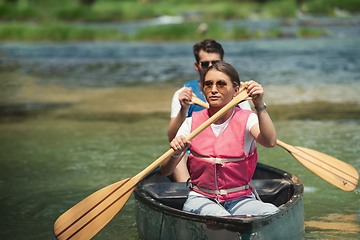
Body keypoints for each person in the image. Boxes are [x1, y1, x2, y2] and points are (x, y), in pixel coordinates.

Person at [160, 62, 278, 216]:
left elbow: (270, 142)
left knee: (272, 212)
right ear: (203, 89)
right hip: (201, 198)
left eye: (221, 84)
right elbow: (164, 170)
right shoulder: (190, 123)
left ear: (236, 91)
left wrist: (259, 104)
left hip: (242, 199)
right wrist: (176, 152)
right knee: (221, 217)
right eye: (208, 85)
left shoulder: (249, 119)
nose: (214, 90)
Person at [168, 39, 251, 182]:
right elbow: (171, 137)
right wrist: (184, 109)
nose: (211, 67)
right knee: (178, 155)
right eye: (205, 64)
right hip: (193, 156)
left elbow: (254, 135)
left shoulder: (237, 93)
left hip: (228, 153)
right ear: (197, 66)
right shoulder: (183, 94)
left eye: (216, 63)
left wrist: (238, 104)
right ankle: (187, 192)